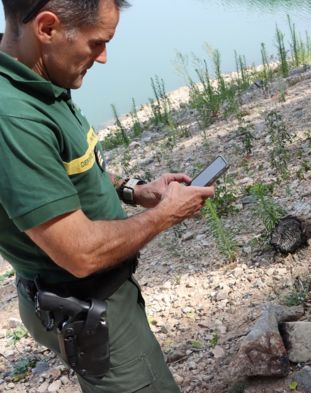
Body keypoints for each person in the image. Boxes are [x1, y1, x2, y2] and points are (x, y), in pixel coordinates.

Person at [0, 1, 215, 391]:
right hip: (87, 305)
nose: (103, 58)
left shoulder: (36, 77)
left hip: (93, 298)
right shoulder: (12, 117)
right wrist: (167, 213)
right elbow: (80, 253)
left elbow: (68, 167)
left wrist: (135, 191)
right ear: (47, 28)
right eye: (96, 43)